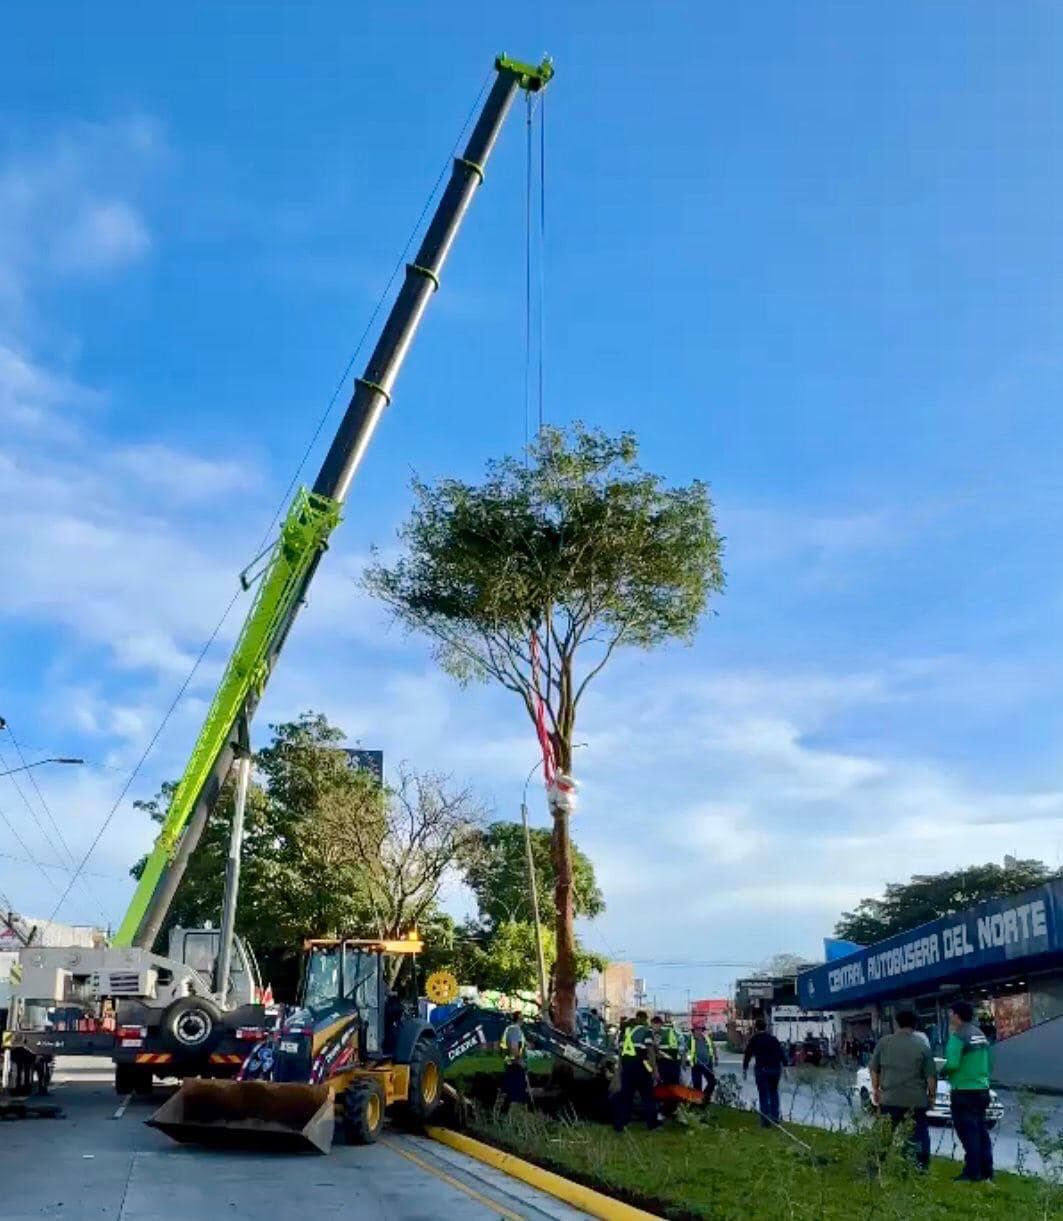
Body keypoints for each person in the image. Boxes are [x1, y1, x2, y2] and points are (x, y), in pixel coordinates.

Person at [869, 1010, 936, 1171]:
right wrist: (931, 1096)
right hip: (915, 1100)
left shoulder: (884, 1043)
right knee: (918, 1136)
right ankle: (918, 1168)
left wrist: (876, 1089)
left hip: (890, 1098)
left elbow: (874, 1069)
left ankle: (875, 1167)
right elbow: (931, 1076)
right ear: (915, 1025)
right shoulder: (922, 1046)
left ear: (896, 1023)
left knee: (883, 1134)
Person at [942, 999, 993, 1182]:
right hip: (982, 1088)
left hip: (964, 1090)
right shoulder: (980, 1034)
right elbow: (990, 1062)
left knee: (967, 1133)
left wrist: (941, 1069)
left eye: (950, 1013)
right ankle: (987, 1170)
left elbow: (952, 1064)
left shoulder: (958, 1036)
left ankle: (972, 1172)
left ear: (957, 1015)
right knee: (981, 1131)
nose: (949, 1017)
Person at [613, 1009, 659, 1132]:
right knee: (648, 1096)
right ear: (644, 1019)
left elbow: (620, 1052)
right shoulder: (646, 1031)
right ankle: (652, 1124)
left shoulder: (626, 1032)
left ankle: (620, 1125)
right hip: (641, 1067)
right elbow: (650, 1052)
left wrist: (619, 1071)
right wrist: (655, 1071)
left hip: (627, 1067)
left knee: (626, 1097)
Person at [743, 1017, 785, 1128]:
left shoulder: (754, 1039)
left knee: (763, 1095)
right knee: (774, 1093)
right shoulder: (773, 1039)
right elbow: (781, 1053)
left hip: (762, 1070)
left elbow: (748, 1054)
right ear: (765, 1027)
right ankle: (775, 1118)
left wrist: (745, 1068)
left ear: (756, 1028)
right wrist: (785, 1066)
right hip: (775, 1069)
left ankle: (765, 1121)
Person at [500, 1011, 530, 1109]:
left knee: (509, 1092)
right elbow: (514, 1048)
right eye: (522, 1018)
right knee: (517, 1094)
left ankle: (505, 1113)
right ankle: (517, 1113)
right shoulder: (514, 1029)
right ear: (519, 1019)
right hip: (515, 1065)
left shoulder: (511, 1029)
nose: (523, 1020)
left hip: (512, 1064)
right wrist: (520, 1061)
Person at [690, 1025, 717, 1101]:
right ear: (693, 1031)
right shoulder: (691, 1040)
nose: (698, 1031)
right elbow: (685, 1051)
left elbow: (713, 1047)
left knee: (712, 1082)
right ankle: (698, 1101)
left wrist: (716, 1057)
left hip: (707, 1064)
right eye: (696, 1030)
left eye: (700, 1029)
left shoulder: (707, 1038)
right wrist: (684, 1061)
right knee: (697, 1085)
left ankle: (705, 1097)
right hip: (696, 1065)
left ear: (702, 1030)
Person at [653, 1015, 681, 1086]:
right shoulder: (675, 1032)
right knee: (674, 1081)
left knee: (664, 1081)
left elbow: (656, 1045)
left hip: (665, 1058)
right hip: (675, 1059)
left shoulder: (660, 1031)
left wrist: (657, 1055)